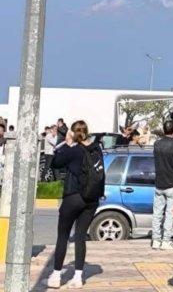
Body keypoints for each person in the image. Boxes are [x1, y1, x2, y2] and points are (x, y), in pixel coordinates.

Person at [47, 120, 105, 289]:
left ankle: (56, 275)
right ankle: (78, 277)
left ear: (72, 133)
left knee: (63, 236)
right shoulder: (96, 148)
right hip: (92, 199)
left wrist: (66, 143)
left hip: (73, 196)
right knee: (80, 236)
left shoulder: (74, 151)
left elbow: (55, 163)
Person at [152, 119, 173, 250]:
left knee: (157, 213)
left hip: (159, 183)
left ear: (163, 130)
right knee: (169, 214)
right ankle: (166, 240)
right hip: (172, 183)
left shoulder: (156, 144)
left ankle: (155, 239)